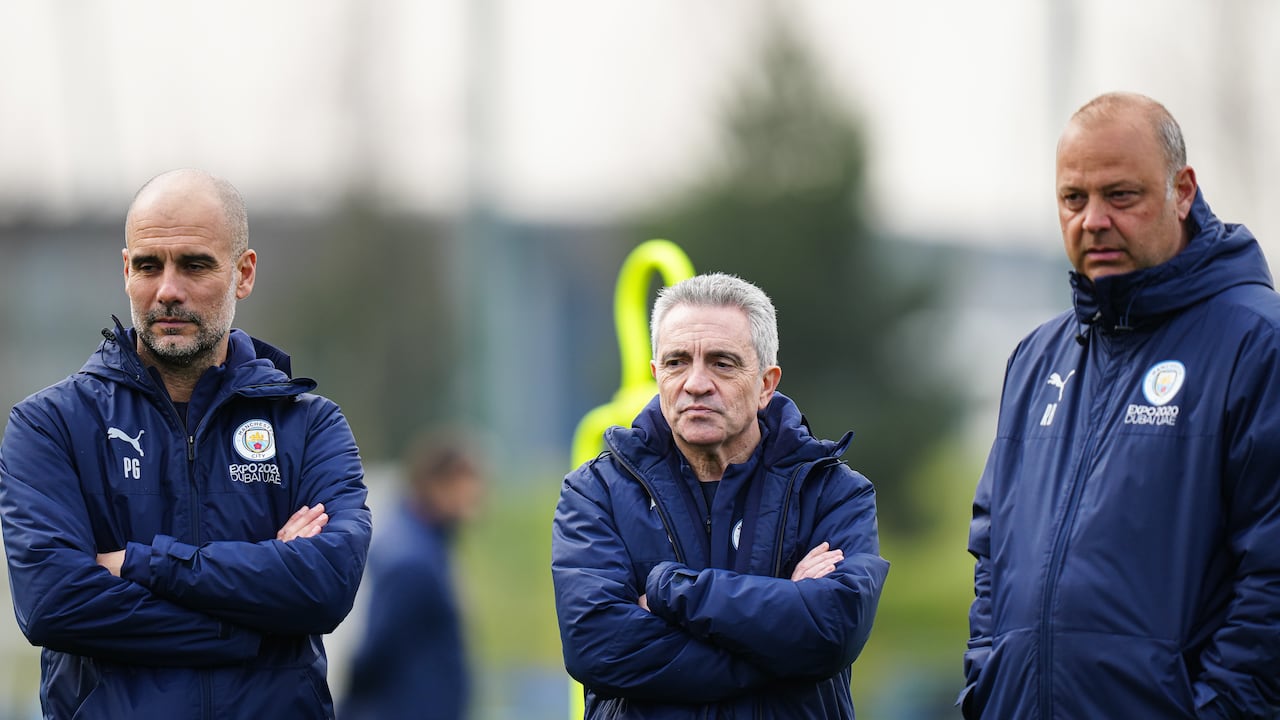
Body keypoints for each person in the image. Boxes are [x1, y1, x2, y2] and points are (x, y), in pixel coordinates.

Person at [0, 168, 372, 718]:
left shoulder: (309, 425)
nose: (168, 290)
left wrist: (144, 564)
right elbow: (54, 603)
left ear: (243, 273)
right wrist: (249, 625)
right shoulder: (50, 425)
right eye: (149, 265)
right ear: (126, 271)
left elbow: (326, 585)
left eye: (195, 264)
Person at [963, 91, 1280, 718]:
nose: (1093, 220)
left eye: (1120, 196)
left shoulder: (1257, 343)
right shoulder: (1035, 359)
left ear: (1182, 191)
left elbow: (1271, 578)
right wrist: (987, 689)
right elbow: (992, 561)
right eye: (1073, 199)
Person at [552, 272, 888, 718]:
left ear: (766, 384)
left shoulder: (832, 492)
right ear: (656, 376)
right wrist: (779, 629)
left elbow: (831, 633)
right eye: (676, 362)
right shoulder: (595, 493)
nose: (696, 383)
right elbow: (597, 648)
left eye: (722, 363)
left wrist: (669, 591)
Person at [342, 429, 485, 720]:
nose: (477, 495)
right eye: (466, 482)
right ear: (436, 485)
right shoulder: (411, 560)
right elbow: (376, 651)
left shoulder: (429, 545)